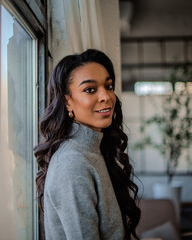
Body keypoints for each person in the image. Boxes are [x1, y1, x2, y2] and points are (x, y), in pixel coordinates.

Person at [34, 49, 141, 240]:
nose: (106, 97)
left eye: (108, 86)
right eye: (90, 89)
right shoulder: (72, 163)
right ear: (67, 102)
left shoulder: (94, 151)